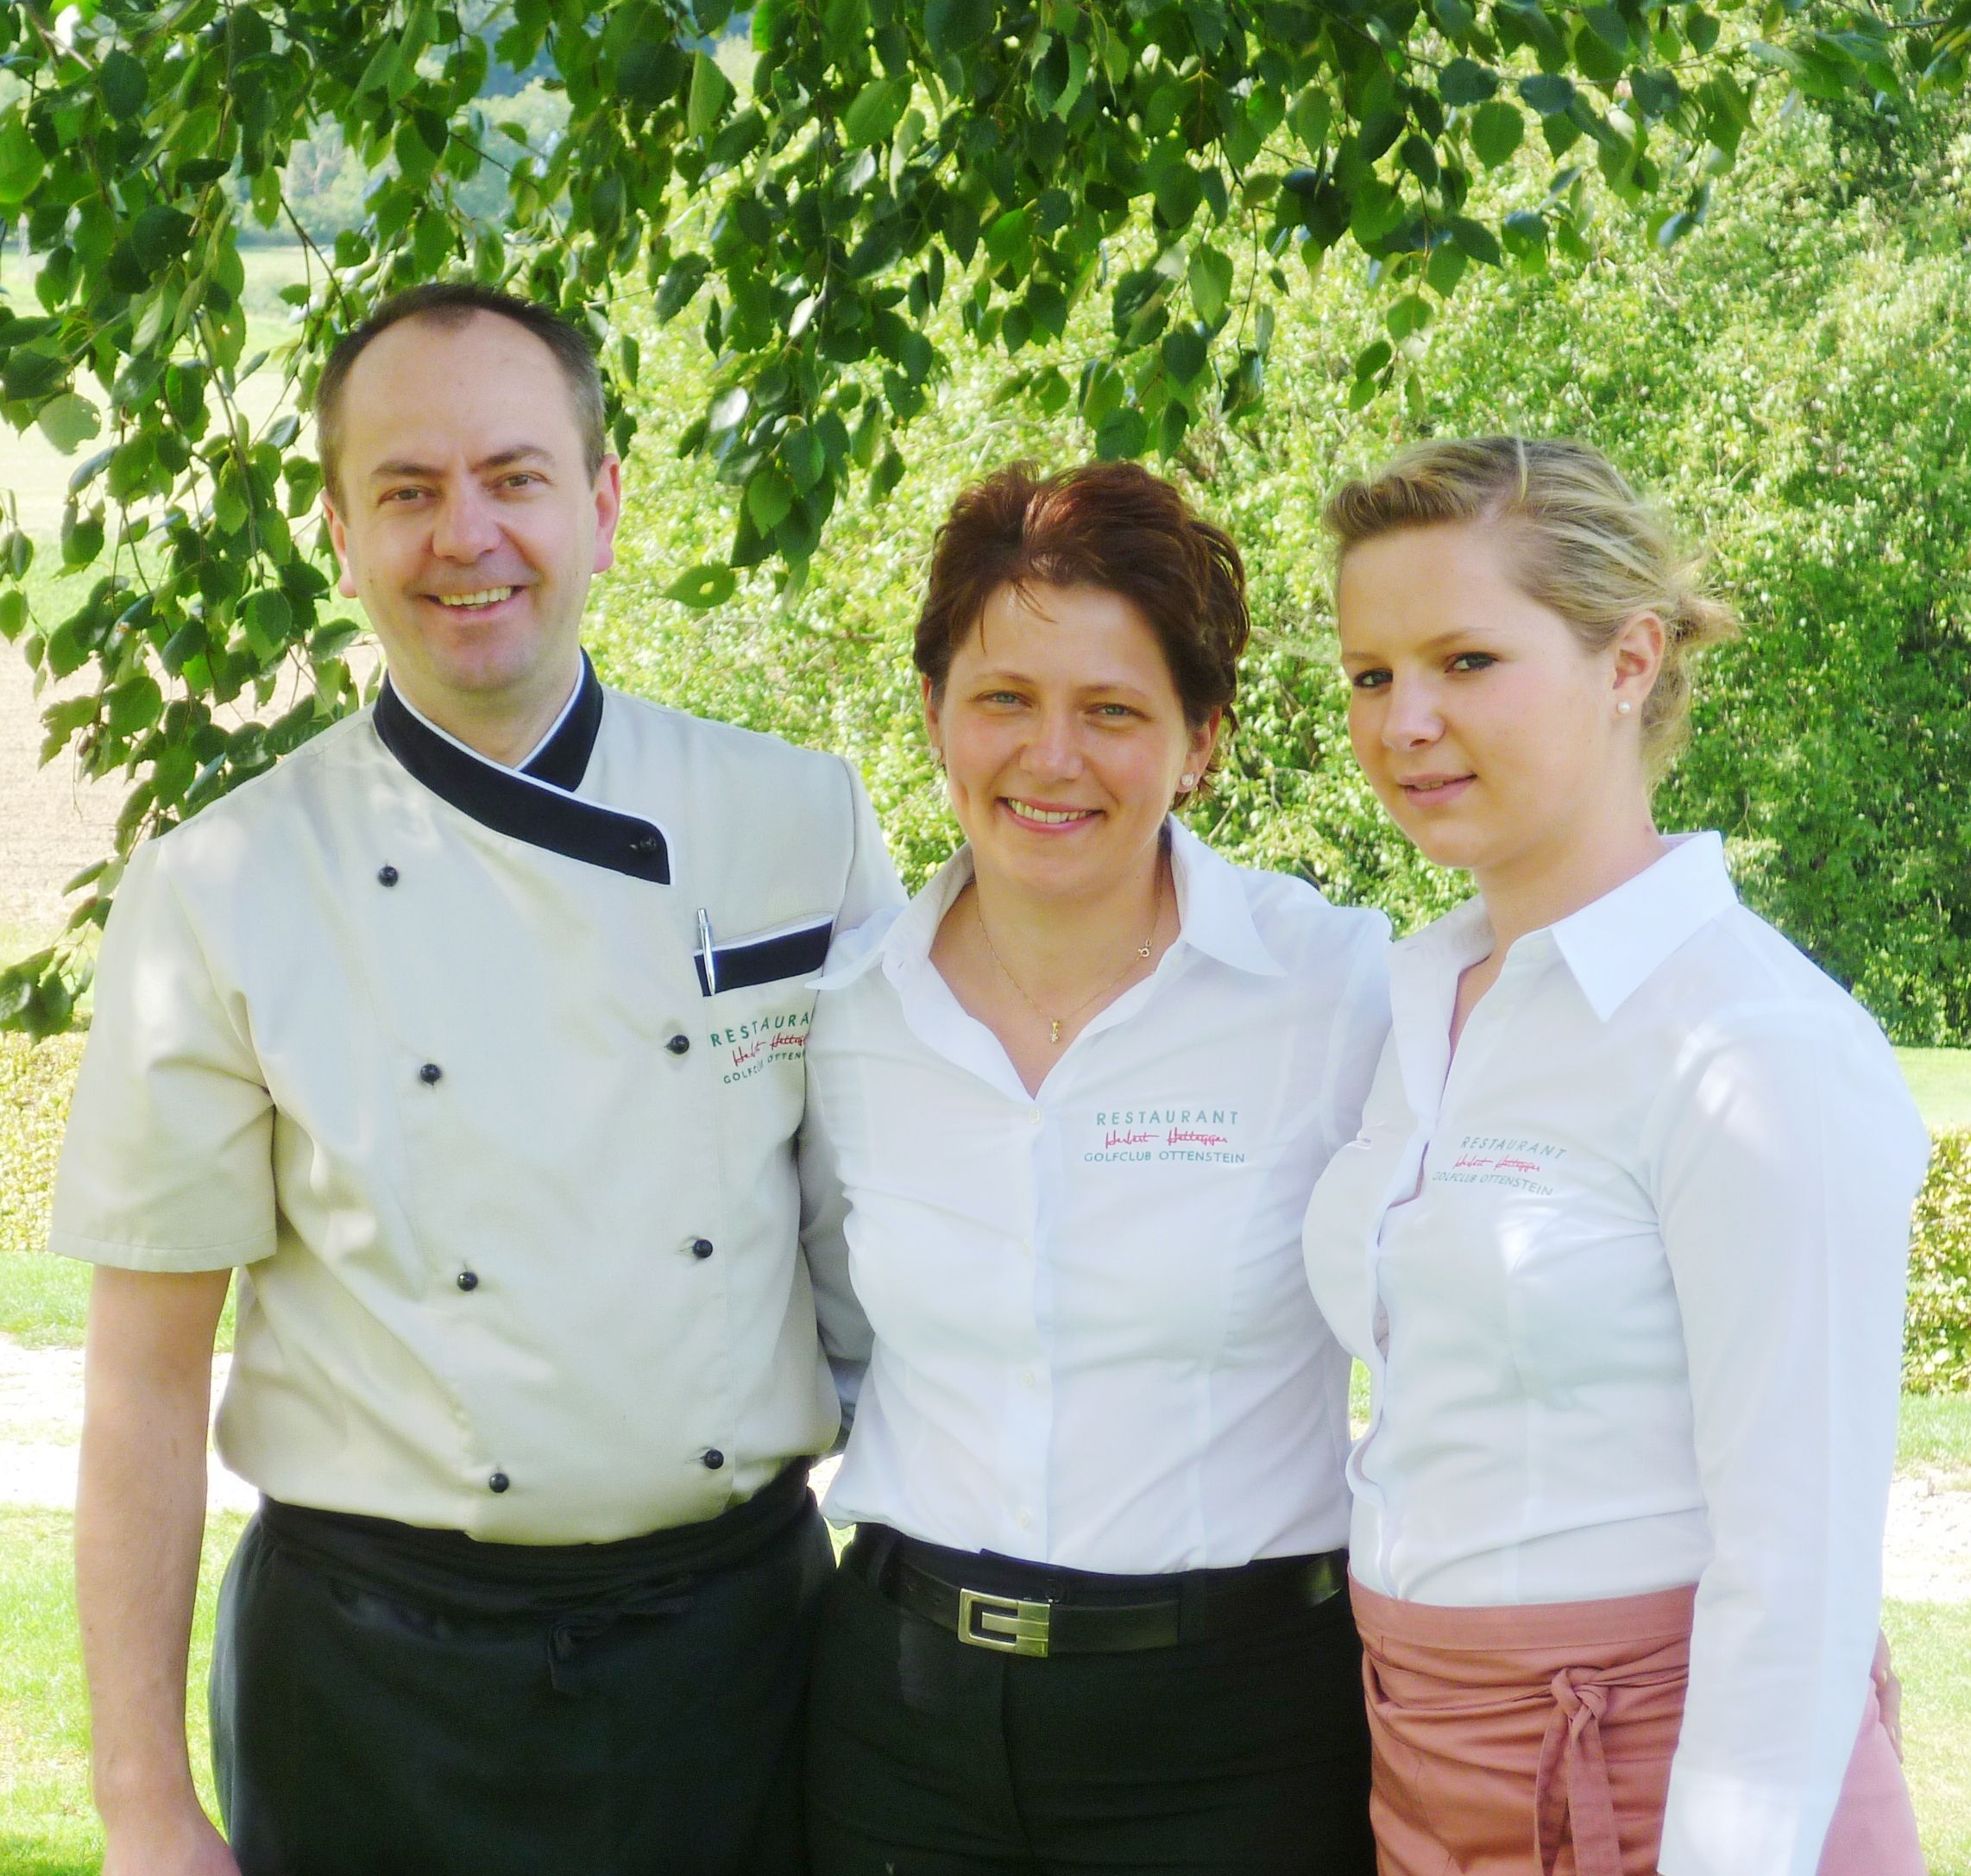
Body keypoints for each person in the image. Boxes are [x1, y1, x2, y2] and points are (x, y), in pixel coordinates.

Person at [52, 283, 899, 1876]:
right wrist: (142, 1805)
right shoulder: (223, 883)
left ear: (603, 502)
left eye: (514, 478)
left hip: (746, 1654)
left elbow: (900, 1242)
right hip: (372, 1679)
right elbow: (146, 1383)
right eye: (409, 490)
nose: (468, 535)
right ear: (341, 529)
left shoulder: (796, 820)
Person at [1301, 436, 1926, 1876]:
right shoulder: (1419, 1001)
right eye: (1371, 673)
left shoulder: (1751, 1044)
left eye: (1467, 661)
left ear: (1630, 660)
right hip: (1425, 1766)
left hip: (1663, 1782)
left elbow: (1798, 1572)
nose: (1406, 721)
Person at [799, 460, 1389, 1873]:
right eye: (1005, 699)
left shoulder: (1341, 995)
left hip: (1234, 1732)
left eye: (1114, 712)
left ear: (1201, 740)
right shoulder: (846, 1015)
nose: (1052, 758)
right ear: (936, 713)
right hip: (899, 1716)